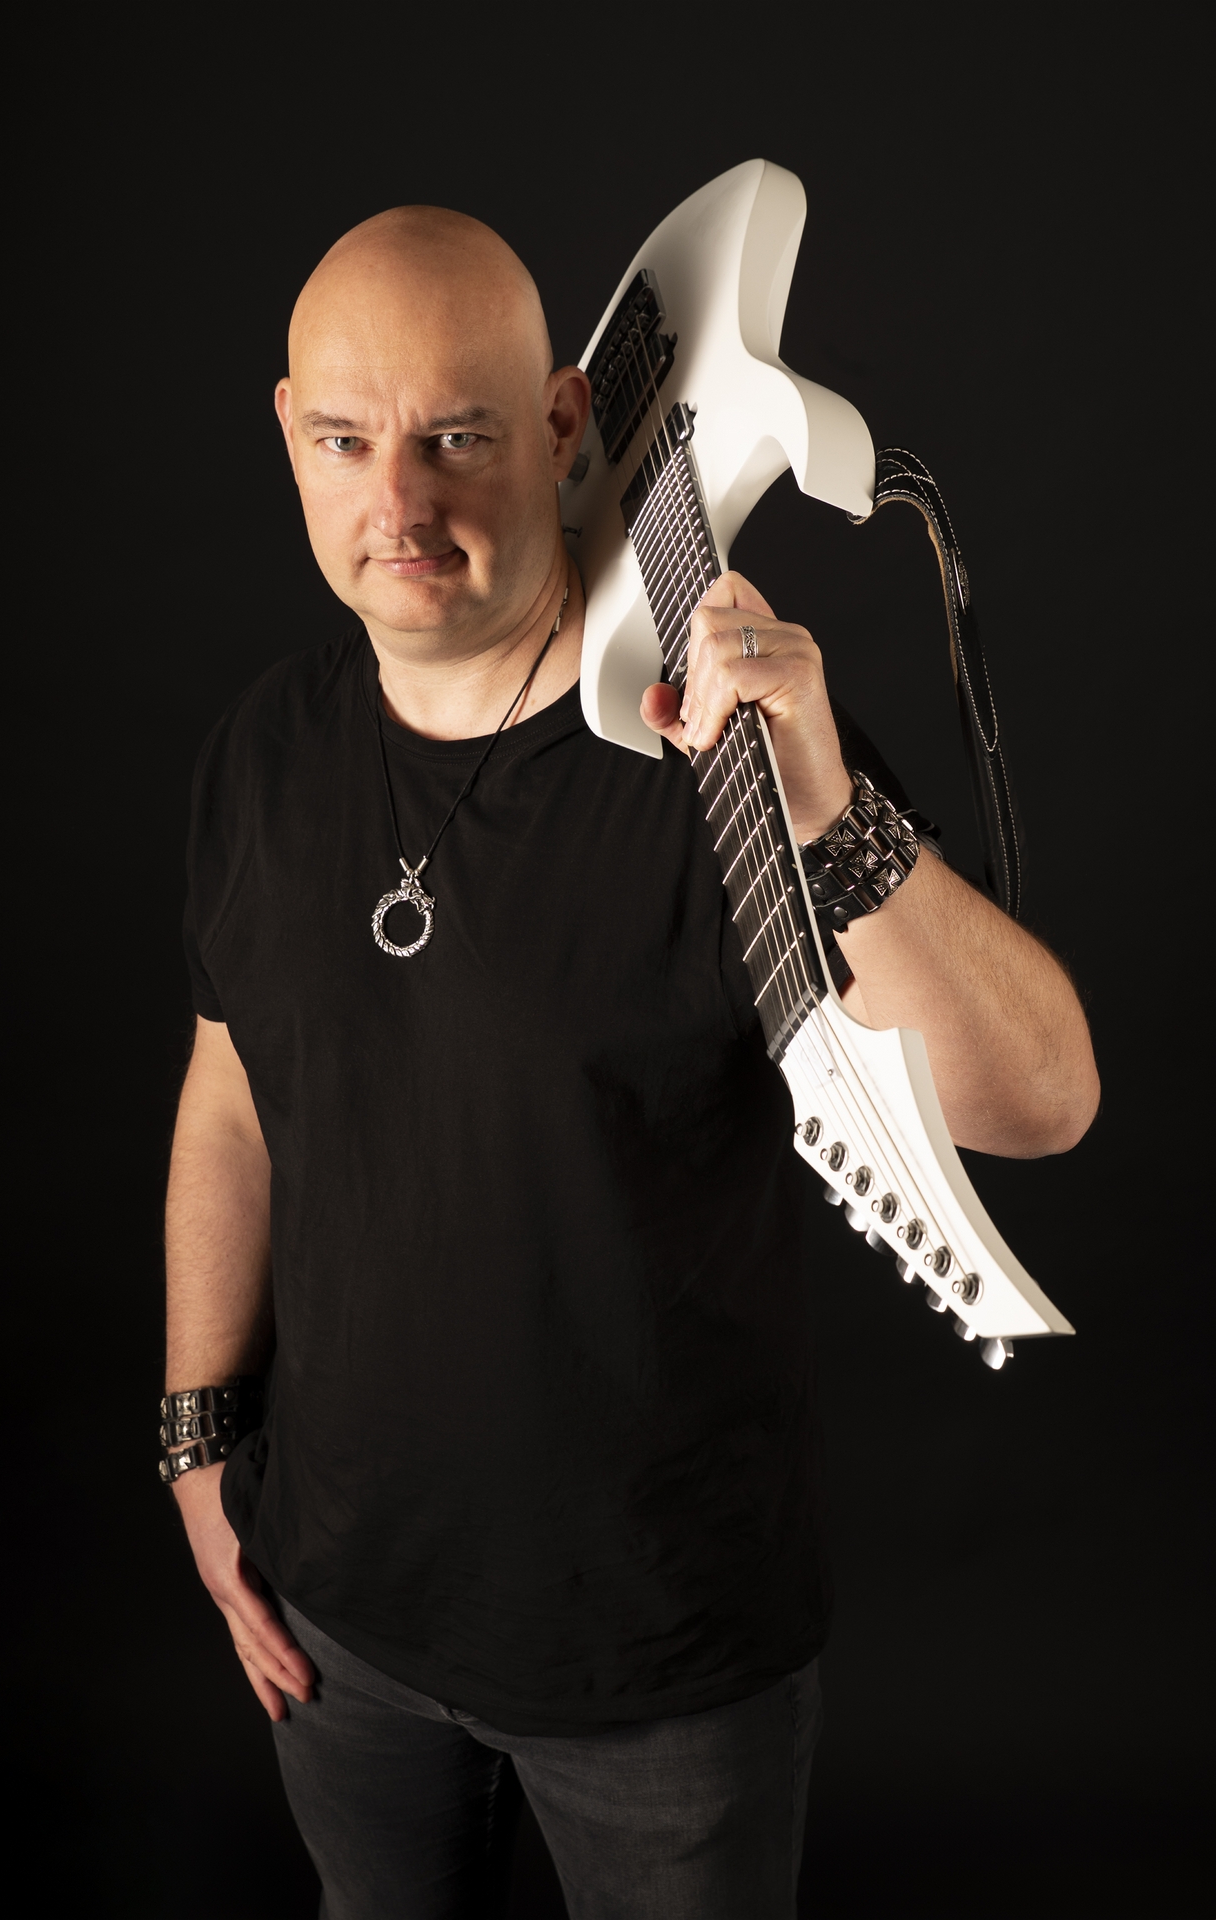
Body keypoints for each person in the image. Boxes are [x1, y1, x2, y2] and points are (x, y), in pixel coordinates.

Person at [165, 206, 1099, 1919]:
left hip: (662, 1670)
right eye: (347, 441)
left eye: (457, 437)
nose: (400, 508)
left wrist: (827, 803)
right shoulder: (265, 752)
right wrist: (197, 1440)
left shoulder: (716, 757)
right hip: (338, 1621)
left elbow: (1042, 1102)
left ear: (562, 422)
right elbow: (236, 1098)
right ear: (289, 431)